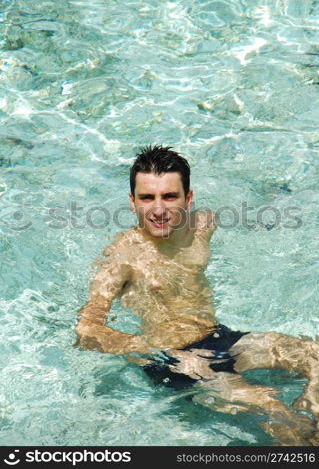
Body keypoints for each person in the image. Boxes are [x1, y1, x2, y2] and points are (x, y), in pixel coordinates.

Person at [75, 145, 319, 446]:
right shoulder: (122, 256)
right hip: (177, 363)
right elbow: (86, 329)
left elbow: (249, 210)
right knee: (279, 414)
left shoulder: (201, 225)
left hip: (221, 338)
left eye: (170, 196)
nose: (159, 210)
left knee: (314, 354)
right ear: (132, 201)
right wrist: (149, 348)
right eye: (147, 198)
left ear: (188, 199)